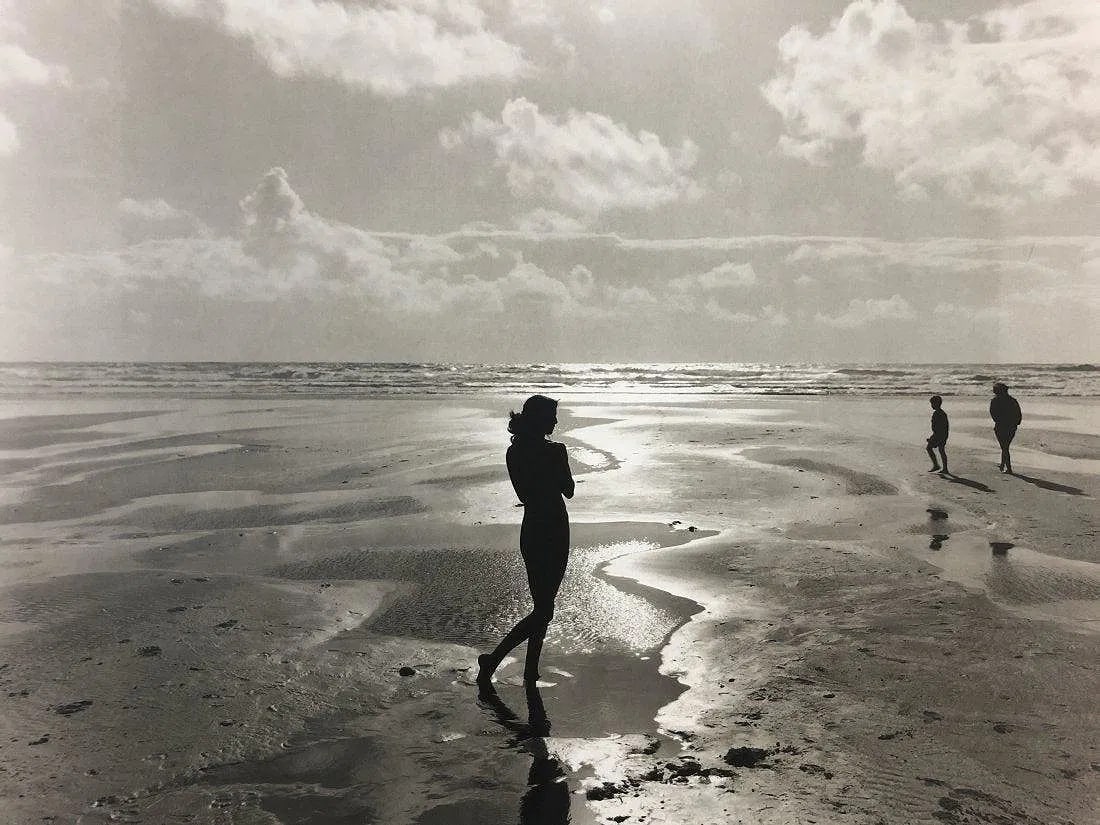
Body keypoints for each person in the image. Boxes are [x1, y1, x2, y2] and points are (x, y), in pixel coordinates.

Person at [477, 394, 574, 684]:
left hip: (532, 528)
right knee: (545, 608)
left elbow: (523, 493)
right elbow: (568, 490)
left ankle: (530, 670)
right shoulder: (556, 451)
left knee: (542, 605)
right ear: (540, 419)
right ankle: (493, 660)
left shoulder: (514, 452)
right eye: (552, 416)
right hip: (554, 527)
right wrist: (556, 462)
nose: (555, 421)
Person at [990, 382, 1022, 474]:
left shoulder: (995, 401)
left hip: (1000, 426)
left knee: (1004, 447)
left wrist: (998, 421)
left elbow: (993, 414)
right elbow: (1018, 414)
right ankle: (1003, 464)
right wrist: (1016, 423)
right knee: (1005, 446)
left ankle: (1008, 468)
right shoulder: (1013, 400)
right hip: (1012, 426)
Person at [925, 395, 949, 475]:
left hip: (939, 435)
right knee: (941, 450)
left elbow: (939, 427)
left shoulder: (938, 413)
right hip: (942, 434)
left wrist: (933, 438)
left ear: (936, 404)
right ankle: (944, 468)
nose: (931, 405)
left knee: (929, 448)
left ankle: (936, 465)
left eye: (932, 404)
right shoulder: (941, 413)